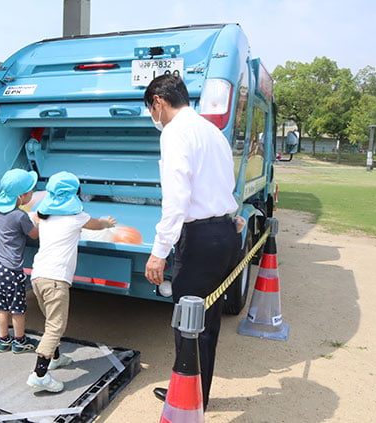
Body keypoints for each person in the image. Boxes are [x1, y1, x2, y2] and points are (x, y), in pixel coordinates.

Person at [143, 75, 239, 411]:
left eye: (151, 109)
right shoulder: (212, 131)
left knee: (188, 323)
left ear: (158, 101)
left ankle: (186, 403)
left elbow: (176, 199)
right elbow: (224, 183)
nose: (154, 117)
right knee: (207, 322)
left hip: (199, 239)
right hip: (224, 234)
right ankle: (197, 395)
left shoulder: (175, 133)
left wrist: (159, 252)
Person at [27, 171, 115, 392]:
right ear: (74, 193)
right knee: (56, 327)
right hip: (56, 280)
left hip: (38, 275)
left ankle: (55, 358)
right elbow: (96, 225)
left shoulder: (43, 215)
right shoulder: (77, 216)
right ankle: (39, 374)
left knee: (50, 320)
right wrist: (107, 223)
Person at [0, 169, 39, 353]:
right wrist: (41, 221)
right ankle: (20, 342)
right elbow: (34, 235)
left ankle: (3, 340)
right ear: (20, 196)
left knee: (2, 308)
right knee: (18, 309)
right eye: (29, 192)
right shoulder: (20, 216)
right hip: (12, 270)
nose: (32, 194)